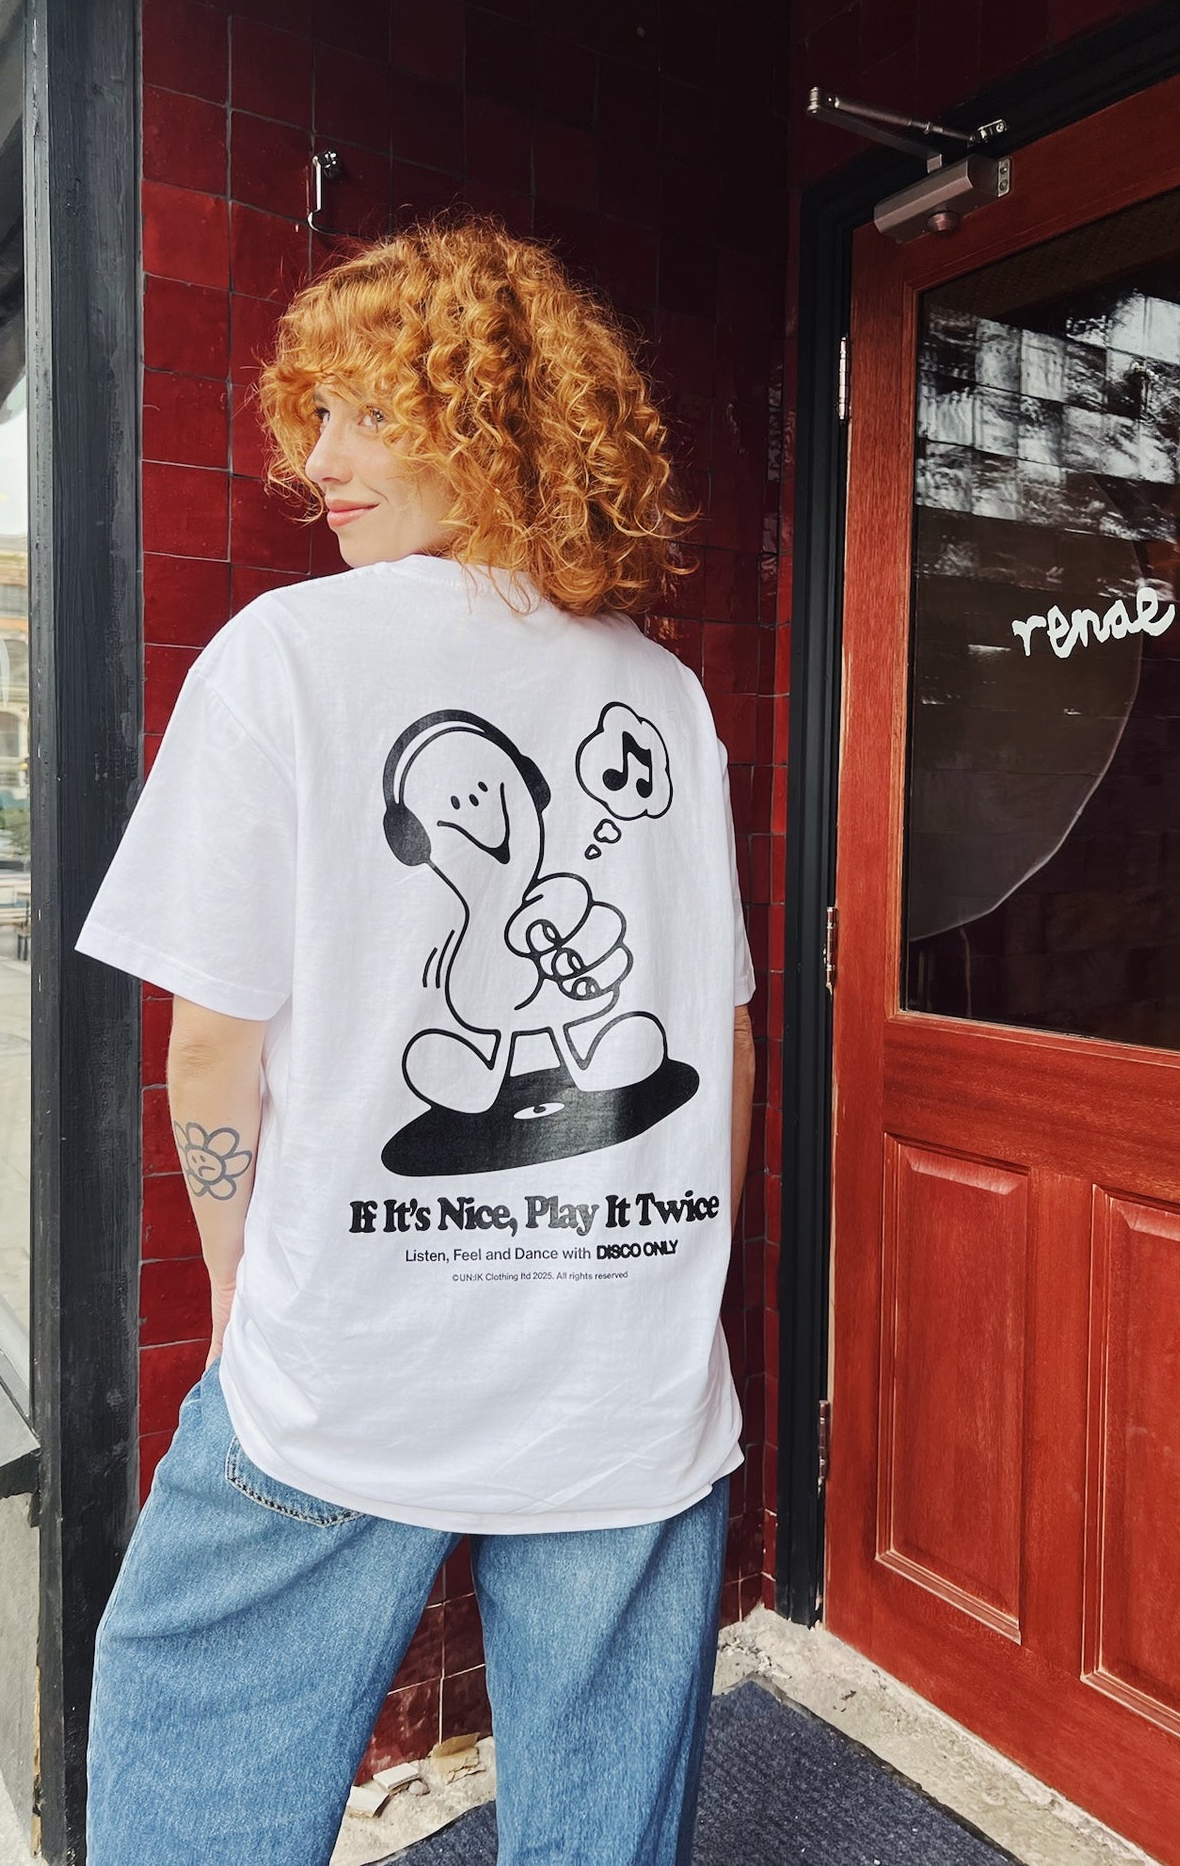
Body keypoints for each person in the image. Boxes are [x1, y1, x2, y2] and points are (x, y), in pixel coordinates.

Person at [78, 217, 757, 1866]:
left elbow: (211, 1047)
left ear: (496, 420)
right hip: (628, 1367)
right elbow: (720, 1041)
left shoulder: (286, 654)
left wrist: (235, 1294)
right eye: (313, 415)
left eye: (373, 412)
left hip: (353, 1356)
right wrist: (671, 1277)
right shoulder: (662, 697)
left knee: (193, 1737)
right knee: (603, 1823)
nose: (317, 462)